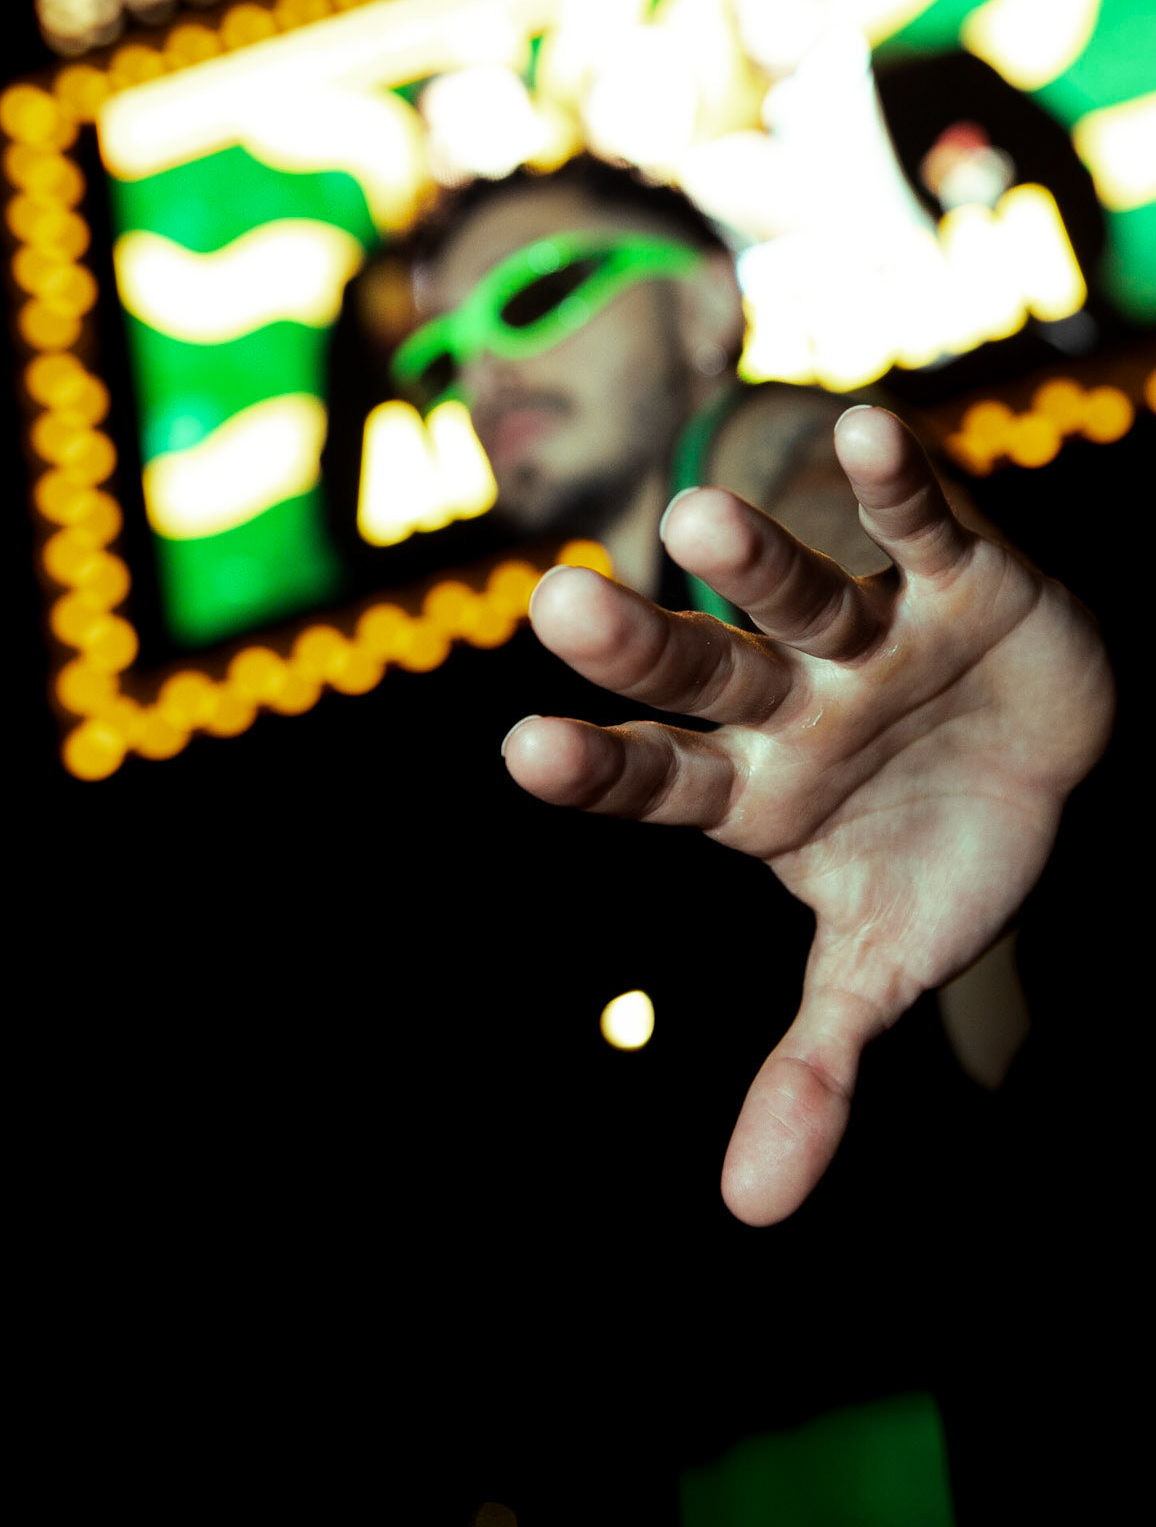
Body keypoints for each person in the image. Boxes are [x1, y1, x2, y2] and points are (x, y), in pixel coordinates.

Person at [368, 149, 1116, 1230]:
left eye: (533, 296)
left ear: (708, 302)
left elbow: (816, 488)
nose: (485, 375)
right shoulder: (651, 616)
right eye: (440, 358)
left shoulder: (760, 446)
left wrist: (884, 629)